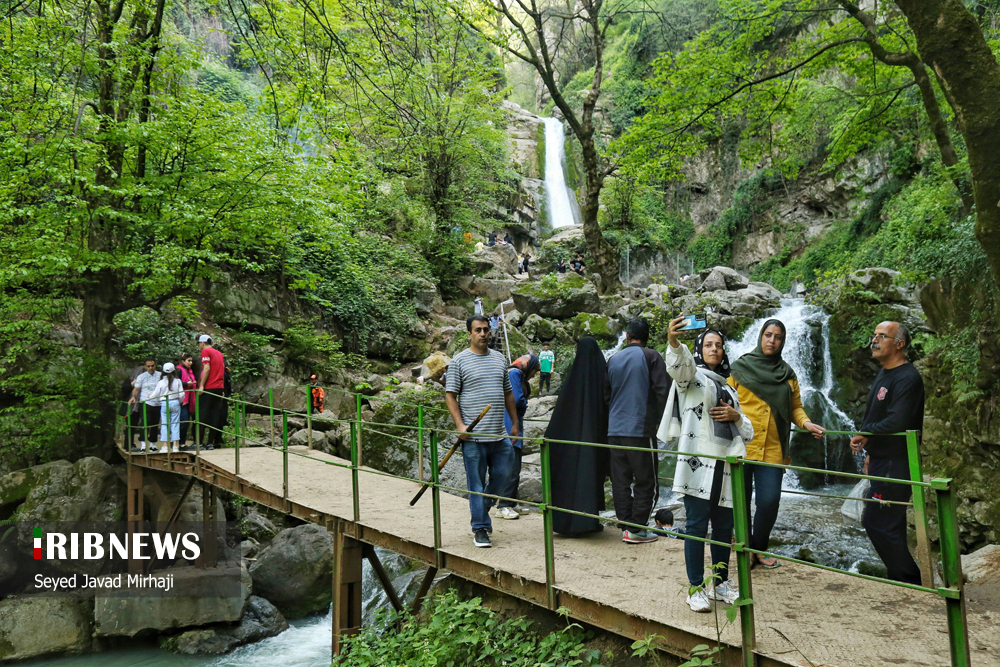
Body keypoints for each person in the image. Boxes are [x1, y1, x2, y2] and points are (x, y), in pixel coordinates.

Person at [659, 318, 753, 613]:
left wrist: (736, 417)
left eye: (719, 345)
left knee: (724, 528)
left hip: (726, 465)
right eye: (709, 345)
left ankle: (721, 583)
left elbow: (747, 428)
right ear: (700, 349)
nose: (715, 349)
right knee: (697, 526)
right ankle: (696, 587)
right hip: (698, 464)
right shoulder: (692, 378)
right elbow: (679, 366)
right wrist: (674, 343)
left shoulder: (730, 387)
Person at [728, 319, 825, 569]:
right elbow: (725, 400)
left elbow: (795, 408)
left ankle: (759, 548)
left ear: (783, 341)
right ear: (761, 336)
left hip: (773, 449)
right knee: (740, 501)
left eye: (778, 337)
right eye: (768, 335)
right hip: (741, 446)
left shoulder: (788, 374)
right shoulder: (739, 368)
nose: (772, 340)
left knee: (769, 501)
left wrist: (806, 424)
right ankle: (746, 549)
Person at [850, 321, 923, 585]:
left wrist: (867, 434)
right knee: (890, 523)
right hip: (883, 458)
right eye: (874, 335)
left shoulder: (907, 378)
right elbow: (878, 416)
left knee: (878, 522)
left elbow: (898, 421)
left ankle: (912, 580)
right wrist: (871, 450)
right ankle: (900, 579)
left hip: (896, 461)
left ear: (899, 344)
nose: (874, 340)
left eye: (882, 336)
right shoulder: (885, 373)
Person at [445, 315, 519, 549]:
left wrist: (514, 422)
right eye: (478, 330)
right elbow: (450, 395)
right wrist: (459, 425)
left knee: (503, 477)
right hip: (475, 438)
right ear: (469, 334)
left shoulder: (499, 359)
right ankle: (480, 529)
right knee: (476, 485)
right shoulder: (459, 361)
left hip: (500, 435)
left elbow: (508, 393)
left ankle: (482, 508)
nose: (483, 334)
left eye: (486, 330)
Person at [604, 318, 670, 544]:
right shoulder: (652, 356)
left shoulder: (613, 359)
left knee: (620, 480)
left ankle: (625, 525)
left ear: (627, 336)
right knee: (646, 480)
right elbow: (663, 391)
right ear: (648, 337)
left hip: (614, 431)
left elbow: (606, 395)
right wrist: (661, 423)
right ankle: (637, 529)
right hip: (640, 430)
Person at [549, 337, 610, 536]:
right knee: (590, 476)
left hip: (569, 441)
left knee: (570, 477)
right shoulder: (602, 376)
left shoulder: (572, 380)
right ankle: (588, 522)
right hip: (596, 439)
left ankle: (565, 521)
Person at [497, 354, 540, 520]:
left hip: (514, 425)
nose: (534, 375)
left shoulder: (518, 374)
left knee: (515, 466)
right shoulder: (514, 374)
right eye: (534, 372)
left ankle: (512, 502)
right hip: (510, 426)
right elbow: (515, 399)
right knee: (511, 467)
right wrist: (525, 403)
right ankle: (503, 506)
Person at [197, 335, 226, 450]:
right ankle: (210, 443)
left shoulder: (205, 351)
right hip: (219, 387)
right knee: (214, 415)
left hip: (209, 387)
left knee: (202, 414)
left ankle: (200, 443)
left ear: (202, 343)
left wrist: (201, 385)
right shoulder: (220, 354)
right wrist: (222, 388)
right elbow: (222, 371)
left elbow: (207, 368)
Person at [150, 362, 184, 453]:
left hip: (164, 403)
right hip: (175, 402)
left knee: (165, 424)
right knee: (175, 424)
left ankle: (165, 446)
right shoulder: (178, 381)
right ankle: (175, 446)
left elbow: (155, 394)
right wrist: (180, 401)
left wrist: (149, 396)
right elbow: (182, 394)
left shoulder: (161, 382)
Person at [128, 358, 162, 452]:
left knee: (155, 423)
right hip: (145, 402)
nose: (151, 368)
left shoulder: (160, 375)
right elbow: (137, 388)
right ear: (145, 367)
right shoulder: (141, 376)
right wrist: (133, 397)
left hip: (157, 402)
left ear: (155, 366)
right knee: (145, 423)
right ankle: (143, 445)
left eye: (152, 366)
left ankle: (153, 444)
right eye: (148, 366)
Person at [178, 354, 197, 448]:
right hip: (182, 400)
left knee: (187, 422)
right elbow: (174, 383)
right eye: (188, 360)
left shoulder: (190, 371)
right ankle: (180, 443)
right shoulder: (179, 370)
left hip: (190, 399)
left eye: (191, 361)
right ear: (182, 361)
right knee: (184, 421)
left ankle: (182, 442)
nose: (190, 363)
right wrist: (186, 384)